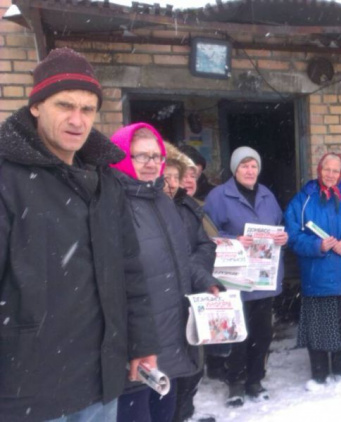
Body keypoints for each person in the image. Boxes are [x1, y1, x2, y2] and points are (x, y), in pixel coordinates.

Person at [0, 47, 159, 421]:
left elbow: (129, 271)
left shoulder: (106, 179)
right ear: (36, 105)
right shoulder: (8, 178)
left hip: (100, 381)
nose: (77, 120)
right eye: (64, 106)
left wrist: (142, 342)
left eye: (87, 109)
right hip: (28, 389)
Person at [111, 123, 221, 422]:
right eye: (140, 156)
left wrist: (205, 281)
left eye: (156, 157)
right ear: (121, 156)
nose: (151, 164)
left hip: (170, 340)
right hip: (133, 349)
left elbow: (182, 258)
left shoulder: (162, 201)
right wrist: (132, 343)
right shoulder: (109, 202)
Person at [203, 146, 289, 407]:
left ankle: (255, 380)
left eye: (253, 166)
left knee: (261, 333)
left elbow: (278, 225)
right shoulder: (219, 196)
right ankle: (236, 383)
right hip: (234, 278)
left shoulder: (267, 195)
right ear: (234, 169)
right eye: (244, 166)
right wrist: (233, 240)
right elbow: (206, 235)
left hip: (262, 278)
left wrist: (283, 237)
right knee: (237, 333)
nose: (250, 171)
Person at [285, 153, 341, 390]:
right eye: (327, 169)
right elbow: (292, 236)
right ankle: (319, 375)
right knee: (318, 328)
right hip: (317, 275)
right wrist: (317, 245)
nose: (330, 175)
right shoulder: (303, 199)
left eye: (336, 170)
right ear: (319, 169)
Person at [164, 143, 220, 422]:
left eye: (193, 175)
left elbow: (202, 248)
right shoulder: (155, 208)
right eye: (179, 175)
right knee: (169, 368)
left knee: (194, 363)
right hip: (163, 301)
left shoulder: (189, 208)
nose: (186, 181)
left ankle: (184, 413)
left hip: (192, 296)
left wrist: (204, 279)